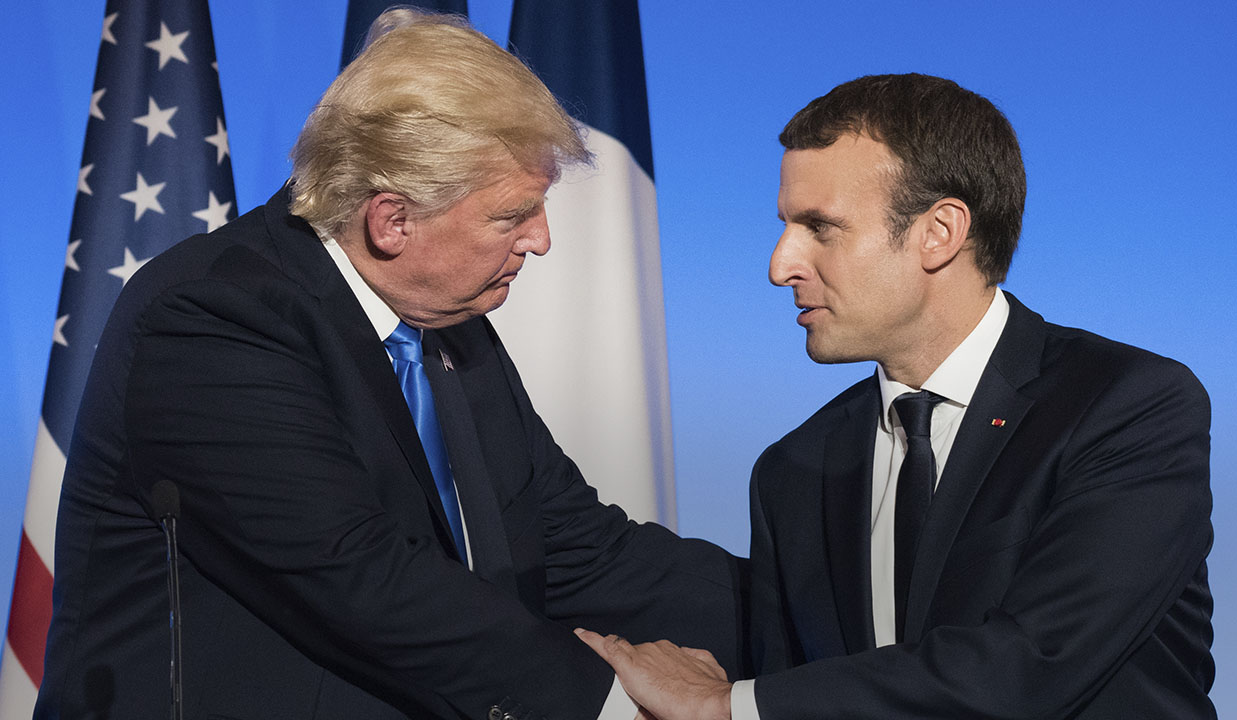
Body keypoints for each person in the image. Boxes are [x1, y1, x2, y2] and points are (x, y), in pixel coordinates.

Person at [36, 10, 744, 720]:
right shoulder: (214, 319)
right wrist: (624, 705)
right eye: (513, 215)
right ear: (392, 221)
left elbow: (578, 549)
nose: (542, 240)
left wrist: (814, 613)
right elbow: (361, 578)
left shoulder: (449, 325)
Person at [579, 73, 1215, 718]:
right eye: (786, 227)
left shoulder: (1129, 407)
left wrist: (725, 708)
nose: (780, 266)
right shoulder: (794, 470)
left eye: (820, 228)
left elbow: (1033, 666)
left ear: (939, 232)